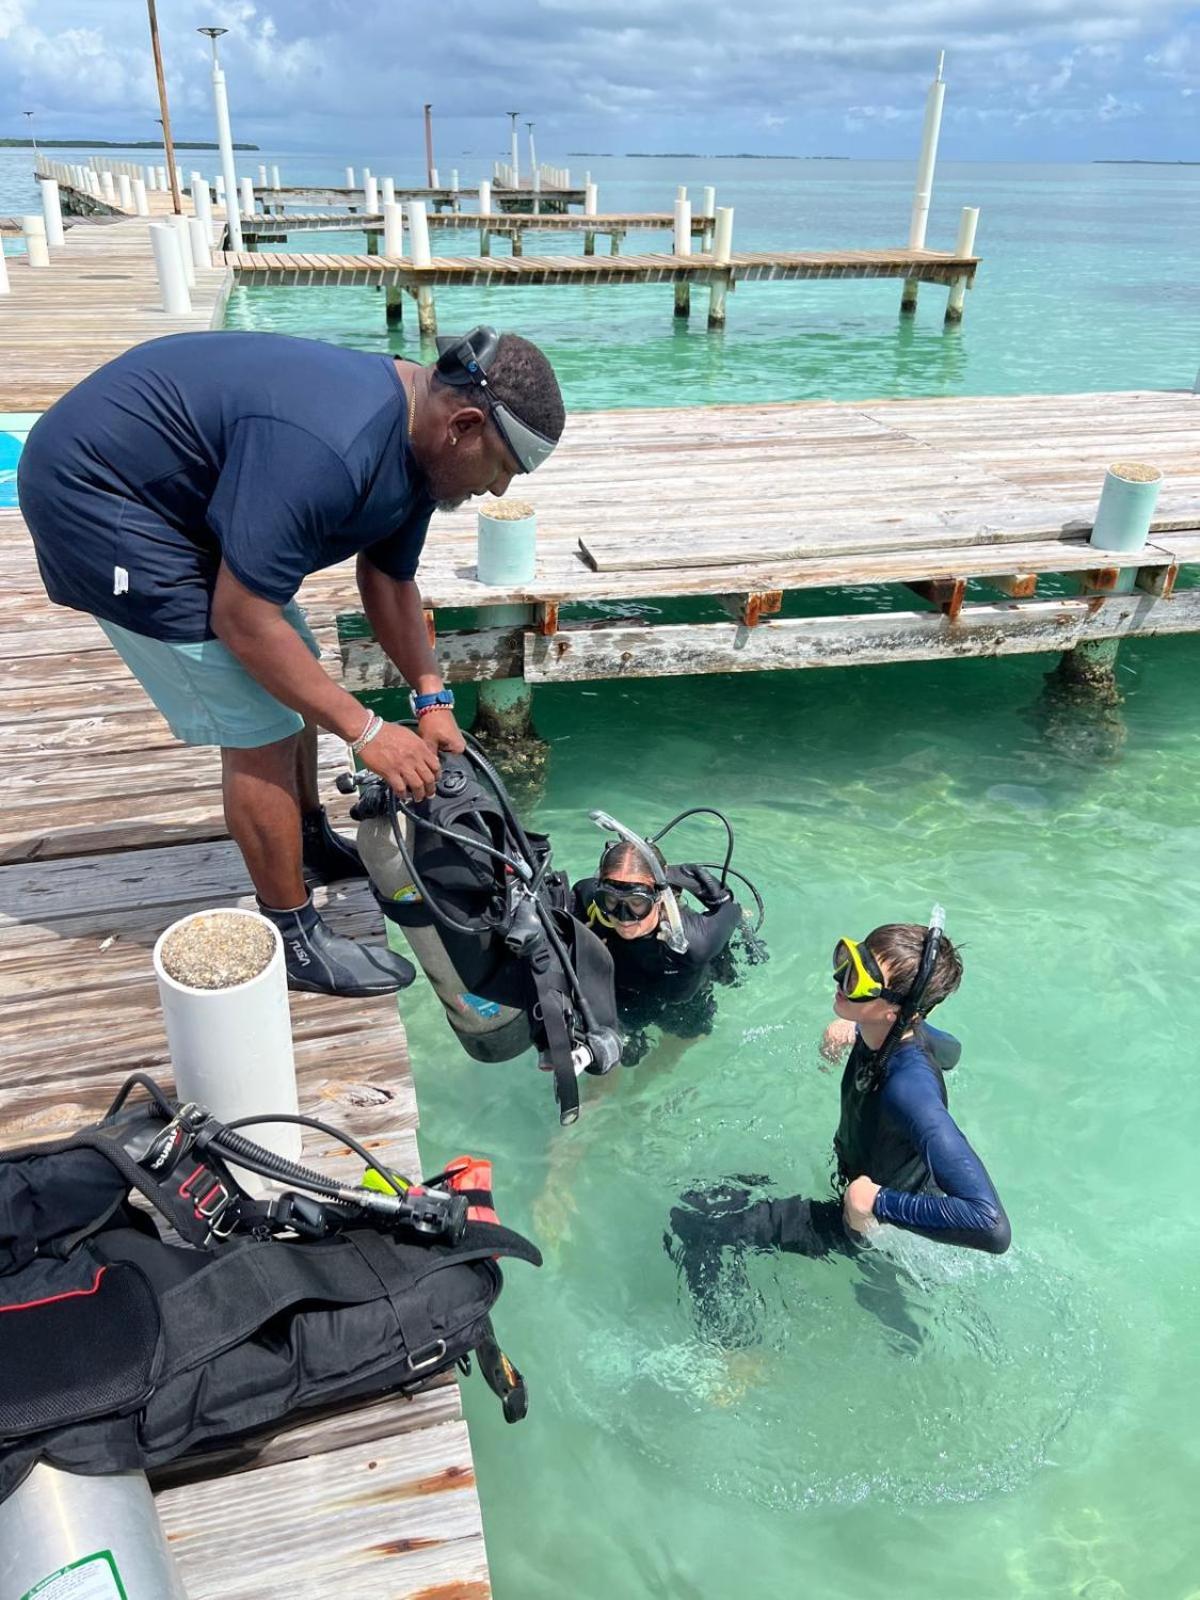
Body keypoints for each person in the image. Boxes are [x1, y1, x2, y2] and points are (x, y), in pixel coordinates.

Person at [19, 326, 565, 997]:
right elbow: (243, 620)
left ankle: (306, 839)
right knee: (262, 724)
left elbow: (390, 581)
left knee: (297, 671)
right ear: (465, 423)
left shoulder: (424, 445)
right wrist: (367, 733)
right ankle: (294, 933)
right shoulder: (333, 447)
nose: (500, 490)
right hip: (97, 494)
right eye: (505, 466)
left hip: (176, 492)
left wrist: (431, 696)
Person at [667, 915, 1009, 1338]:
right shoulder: (897, 1027)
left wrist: (880, 1202)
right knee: (883, 1305)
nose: (840, 978)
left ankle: (738, 1355)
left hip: (865, 1220)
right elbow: (951, 1049)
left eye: (859, 979)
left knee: (698, 1218)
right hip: (870, 1185)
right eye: (850, 958)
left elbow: (990, 1224)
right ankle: (894, 1320)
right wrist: (860, 1023)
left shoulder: (909, 1089)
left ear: (895, 1008)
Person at [572, 837, 744, 1065]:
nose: (623, 918)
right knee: (605, 1061)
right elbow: (578, 891)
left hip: (683, 1002)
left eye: (637, 902)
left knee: (668, 1057)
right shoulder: (594, 904)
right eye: (612, 899)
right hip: (625, 995)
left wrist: (681, 877)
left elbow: (732, 911)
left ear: (659, 893)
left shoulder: (697, 940)